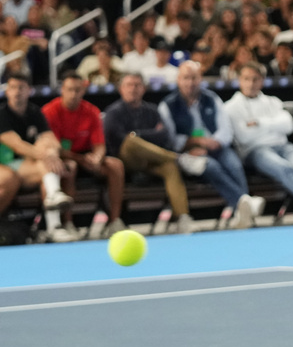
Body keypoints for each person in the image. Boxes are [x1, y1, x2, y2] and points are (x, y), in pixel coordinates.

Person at [224, 63, 293, 224]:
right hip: (256, 151)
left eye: (255, 79)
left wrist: (259, 123)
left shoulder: (273, 101)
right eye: (246, 79)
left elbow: (289, 126)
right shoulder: (230, 107)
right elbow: (244, 137)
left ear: (262, 81)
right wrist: (274, 125)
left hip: (284, 147)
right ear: (239, 80)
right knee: (284, 167)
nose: (251, 83)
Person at [158, 60, 263, 229]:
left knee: (234, 164)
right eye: (186, 78)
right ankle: (245, 205)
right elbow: (169, 140)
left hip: (215, 147)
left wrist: (214, 142)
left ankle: (242, 213)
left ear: (200, 79)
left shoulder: (212, 98)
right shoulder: (167, 105)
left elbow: (226, 130)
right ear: (178, 80)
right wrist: (194, 143)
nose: (190, 83)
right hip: (186, 154)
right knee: (211, 166)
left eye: (194, 78)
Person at [103, 72, 206, 234]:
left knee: (170, 167)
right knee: (131, 142)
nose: (133, 89)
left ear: (144, 89)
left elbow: (163, 135)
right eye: (129, 85)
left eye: (137, 85)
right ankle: (179, 158)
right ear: (121, 89)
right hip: (124, 162)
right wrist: (143, 135)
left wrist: (137, 134)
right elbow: (117, 138)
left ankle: (183, 217)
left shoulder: (152, 110)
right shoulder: (113, 112)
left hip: (151, 160)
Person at [42, 72, 127, 237]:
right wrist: (81, 159)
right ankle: (68, 223)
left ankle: (115, 221)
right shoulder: (50, 111)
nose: (74, 94)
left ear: (83, 91)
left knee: (115, 165)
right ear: (62, 90)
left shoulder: (91, 111)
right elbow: (55, 149)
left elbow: (100, 145)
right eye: (70, 89)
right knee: (70, 167)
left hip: (87, 158)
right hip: (65, 158)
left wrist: (97, 158)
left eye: (77, 90)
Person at [0, 74, 77, 242]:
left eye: (21, 88)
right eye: (13, 88)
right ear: (7, 91)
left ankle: (54, 227)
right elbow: (17, 145)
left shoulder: (35, 112)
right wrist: (47, 156)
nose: (17, 92)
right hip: (5, 165)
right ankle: (54, 194)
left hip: (28, 167)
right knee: (47, 165)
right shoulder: (2, 114)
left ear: (29, 90)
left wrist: (52, 152)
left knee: (47, 152)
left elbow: (52, 140)